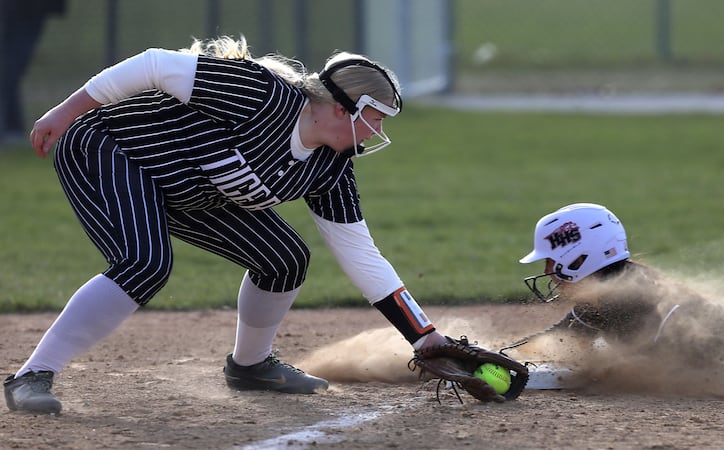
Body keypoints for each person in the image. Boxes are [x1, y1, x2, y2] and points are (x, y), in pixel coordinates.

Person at [4, 36, 449, 415]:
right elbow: (154, 65)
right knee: (145, 264)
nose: (375, 132)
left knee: (284, 258)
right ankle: (32, 375)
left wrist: (424, 337)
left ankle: (250, 366)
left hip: (188, 188)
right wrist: (65, 111)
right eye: (375, 119)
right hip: (110, 148)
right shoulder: (263, 96)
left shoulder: (329, 168)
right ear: (341, 108)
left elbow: (362, 255)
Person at [515, 202, 724, 381]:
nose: (546, 271)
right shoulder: (604, 293)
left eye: (550, 261)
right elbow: (557, 338)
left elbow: (669, 367)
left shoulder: (631, 295)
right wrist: (501, 355)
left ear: (580, 257)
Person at [0, 0, 66, 140]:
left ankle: (11, 129)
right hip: (17, 9)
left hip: (27, 8)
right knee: (8, 68)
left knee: (9, 68)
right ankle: (12, 127)